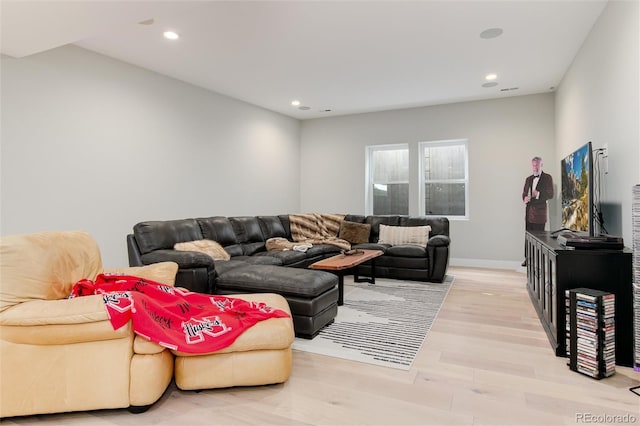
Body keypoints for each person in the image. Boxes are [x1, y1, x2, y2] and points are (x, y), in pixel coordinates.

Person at [521, 156, 553, 266]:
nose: (535, 167)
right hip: (528, 213)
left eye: (537, 165)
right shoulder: (528, 179)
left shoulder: (548, 177)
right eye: (533, 165)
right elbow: (524, 193)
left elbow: (550, 194)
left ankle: (539, 261)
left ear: (541, 165)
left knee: (539, 240)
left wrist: (538, 194)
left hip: (539, 215)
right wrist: (525, 198)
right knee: (528, 238)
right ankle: (527, 259)